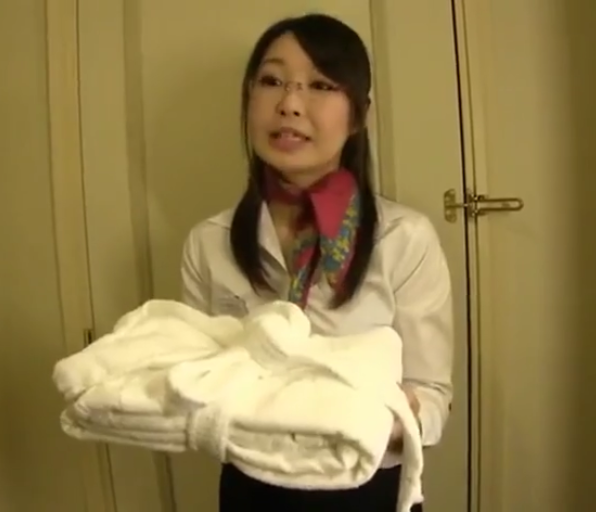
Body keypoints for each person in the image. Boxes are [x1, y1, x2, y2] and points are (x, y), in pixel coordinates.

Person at [179, 12, 454, 512]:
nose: (289, 103)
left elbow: (432, 399)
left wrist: (370, 418)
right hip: (250, 489)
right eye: (271, 81)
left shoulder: (404, 239)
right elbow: (196, 384)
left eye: (321, 85)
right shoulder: (207, 243)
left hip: (369, 489)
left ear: (359, 115)